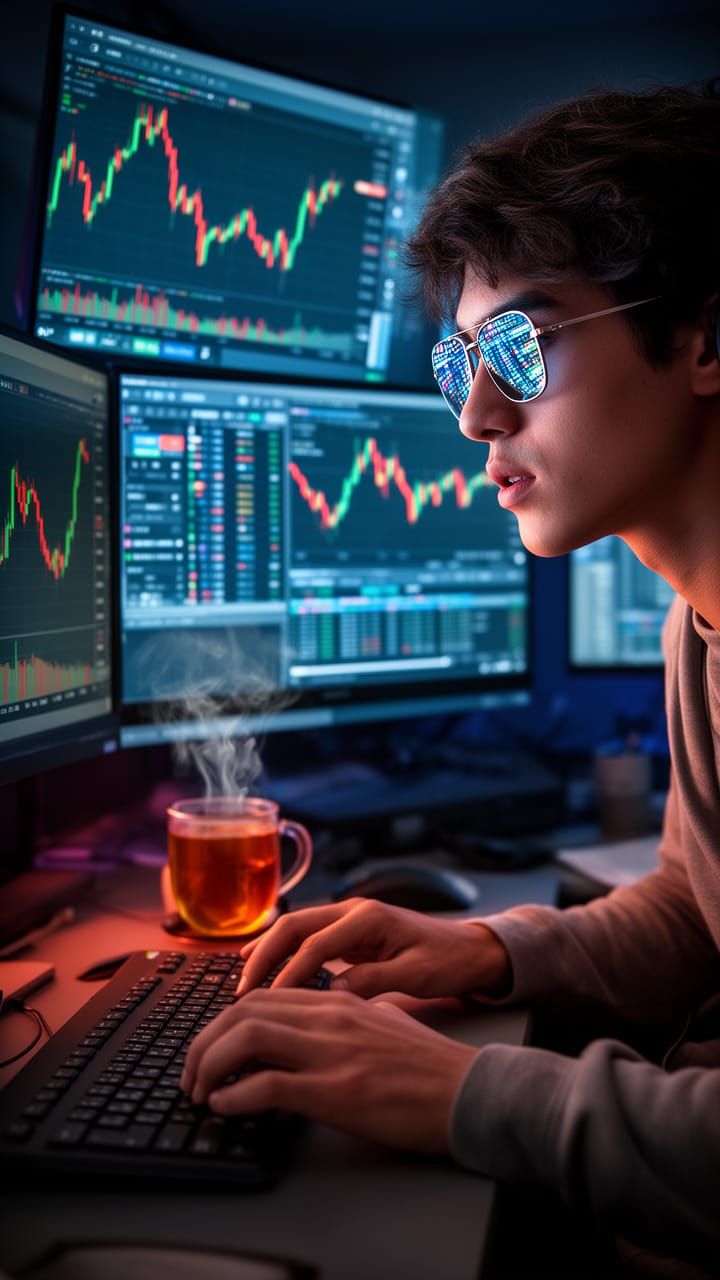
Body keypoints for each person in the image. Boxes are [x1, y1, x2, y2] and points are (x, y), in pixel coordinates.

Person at [181, 79, 720, 1276]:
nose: (478, 413)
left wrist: (471, 1090)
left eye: (523, 345)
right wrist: (491, 949)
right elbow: (698, 910)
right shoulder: (702, 621)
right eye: (464, 358)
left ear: (699, 338)